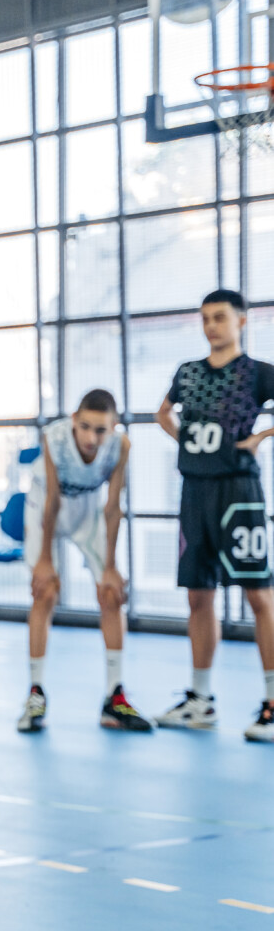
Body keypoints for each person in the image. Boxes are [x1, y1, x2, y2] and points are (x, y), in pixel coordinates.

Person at [154, 289, 274, 743]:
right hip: (195, 491)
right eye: (205, 318)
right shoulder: (187, 373)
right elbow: (162, 413)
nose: (211, 326)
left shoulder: (259, 374)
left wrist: (260, 436)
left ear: (242, 321)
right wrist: (187, 440)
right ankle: (200, 701)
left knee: (259, 595)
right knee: (198, 596)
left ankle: (272, 702)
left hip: (239, 492)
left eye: (220, 317)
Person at [17, 389, 150, 733]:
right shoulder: (56, 438)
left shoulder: (122, 447)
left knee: (110, 594)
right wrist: (46, 559)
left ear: (114, 426)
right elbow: (52, 503)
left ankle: (114, 697)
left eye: (101, 430)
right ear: (74, 421)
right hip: (45, 505)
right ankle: (35, 693)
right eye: (86, 427)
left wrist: (111, 566)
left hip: (88, 507)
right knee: (45, 590)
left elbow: (113, 506)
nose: (92, 437)